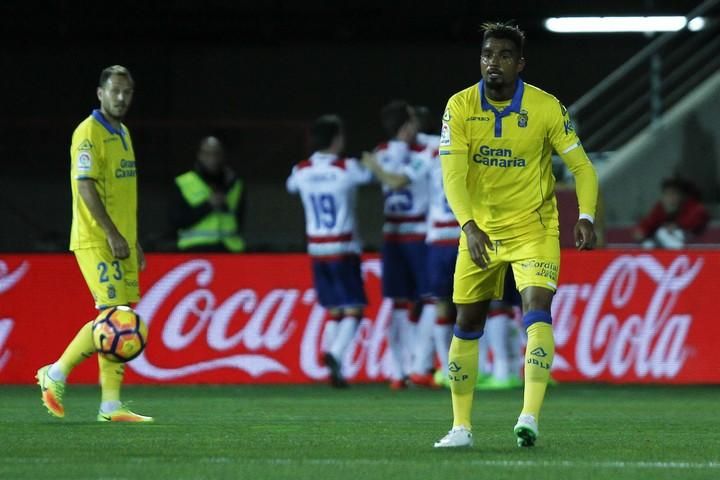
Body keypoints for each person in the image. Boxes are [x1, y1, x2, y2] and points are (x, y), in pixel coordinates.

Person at [433, 22, 598, 448]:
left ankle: (529, 417)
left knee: (536, 311)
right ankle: (461, 428)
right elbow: (451, 175)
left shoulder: (545, 108)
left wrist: (587, 216)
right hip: (481, 233)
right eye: (488, 54)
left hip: (534, 229)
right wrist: (468, 226)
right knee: (467, 323)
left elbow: (581, 167)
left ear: (520, 64)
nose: (494, 62)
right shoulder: (460, 106)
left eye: (504, 55)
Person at [36, 65, 152, 422]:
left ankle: (110, 405)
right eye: (114, 90)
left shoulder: (123, 133)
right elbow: (86, 187)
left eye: (127, 92)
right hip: (96, 239)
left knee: (119, 321)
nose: (121, 97)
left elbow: (122, 195)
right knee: (115, 317)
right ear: (100, 93)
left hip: (121, 241)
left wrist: (133, 239)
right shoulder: (88, 133)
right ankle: (54, 374)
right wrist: (114, 235)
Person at [286, 114, 373, 388]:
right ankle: (335, 353)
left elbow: (290, 187)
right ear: (336, 139)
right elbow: (370, 176)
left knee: (334, 310)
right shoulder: (346, 167)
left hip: (317, 249)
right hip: (343, 248)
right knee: (354, 309)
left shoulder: (300, 170)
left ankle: (335, 363)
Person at [361, 100, 432, 389]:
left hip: (393, 235)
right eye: (413, 120)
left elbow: (391, 179)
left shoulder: (379, 154)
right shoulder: (424, 151)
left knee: (402, 304)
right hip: (416, 235)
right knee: (428, 300)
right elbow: (400, 180)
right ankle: (415, 367)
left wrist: (373, 167)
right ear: (406, 125)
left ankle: (401, 370)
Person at [171, 136, 246, 252]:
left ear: (223, 155)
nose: (212, 158)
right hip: (194, 250)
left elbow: (240, 220)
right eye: (207, 153)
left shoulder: (235, 184)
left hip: (229, 249)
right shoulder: (183, 182)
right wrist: (208, 205)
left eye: (216, 153)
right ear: (199, 155)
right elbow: (176, 222)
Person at [633, 177, 709, 249]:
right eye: (666, 194)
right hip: (665, 245)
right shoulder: (660, 208)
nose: (670, 198)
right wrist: (642, 230)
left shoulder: (692, 206)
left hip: (688, 244)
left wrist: (678, 225)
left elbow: (695, 219)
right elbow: (649, 222)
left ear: (681, 196)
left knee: (663, 233)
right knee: (649, 242)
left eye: (673, 194)